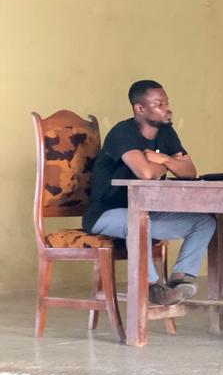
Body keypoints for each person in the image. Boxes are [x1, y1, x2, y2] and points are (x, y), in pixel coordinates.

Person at [84, 80, 215, 306]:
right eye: (159, 104)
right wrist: (171, 163)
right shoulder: (122, 133)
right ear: (140, 109)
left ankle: (179, 278)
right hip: (106, 214)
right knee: (140, 222)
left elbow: (190, 171)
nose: (167, 108)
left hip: (146, 213)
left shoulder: (166, 133)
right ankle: (153, 286)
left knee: (204, 223)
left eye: (166, 102)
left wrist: (162, 159)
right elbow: (145, 173)